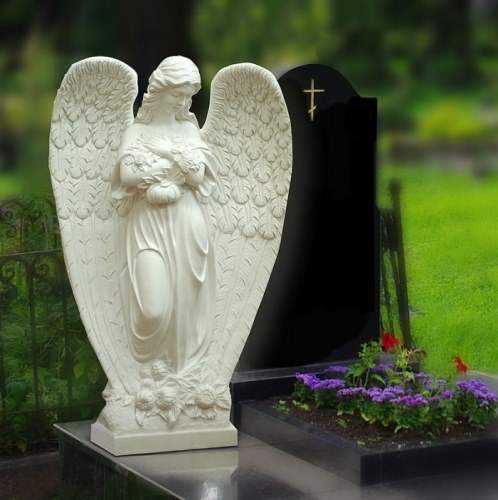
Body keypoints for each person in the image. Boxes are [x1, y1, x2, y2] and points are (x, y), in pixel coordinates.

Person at [111, 56, 217, 372]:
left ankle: (177, 374)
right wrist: (174, 166)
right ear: (160, 89)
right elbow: (128, 175)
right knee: (153, 308)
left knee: (184, 303)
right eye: (177, 94)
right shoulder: (136, 132)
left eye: (188, 96)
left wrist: (162, 155)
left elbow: (196, 176)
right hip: (147, 225)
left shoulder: (188, 130)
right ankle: (145, 368)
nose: (182, 102)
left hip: (186, 223)